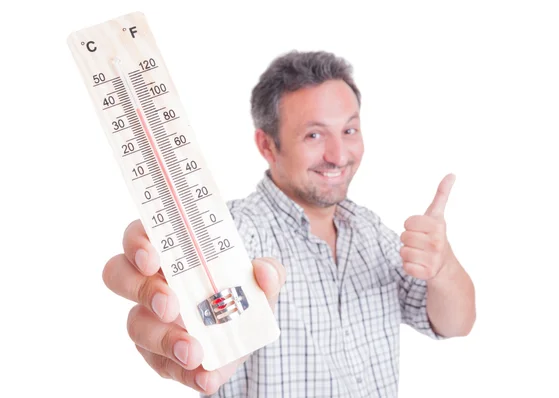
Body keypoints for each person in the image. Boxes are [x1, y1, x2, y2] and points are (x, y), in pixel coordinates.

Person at [102, 50, 476, 397]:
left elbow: (456, 323)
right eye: (314, 135)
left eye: (349, 130)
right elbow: (192, 332)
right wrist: (173, 303)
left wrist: (443, 267)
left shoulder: (369, 230)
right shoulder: (229, 237)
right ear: (267, 146)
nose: (339, 155)